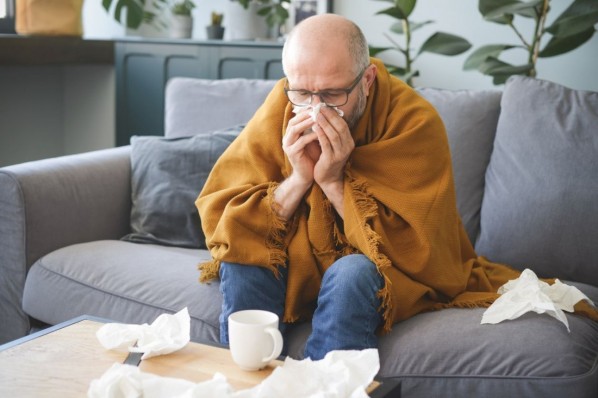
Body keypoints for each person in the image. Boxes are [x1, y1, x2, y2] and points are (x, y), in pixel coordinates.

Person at [196, 14, 597, 360]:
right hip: (298, 255)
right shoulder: (283, 104)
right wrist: (300, 178)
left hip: (377, 267)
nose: (314, 109)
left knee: (352, 272)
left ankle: (327, 385)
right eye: (302, 92)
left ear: (367, 79)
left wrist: (334, 182)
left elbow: (420, 249)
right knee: (242, 258)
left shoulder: (416, 122)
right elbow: (227, 214)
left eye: (333, 94)